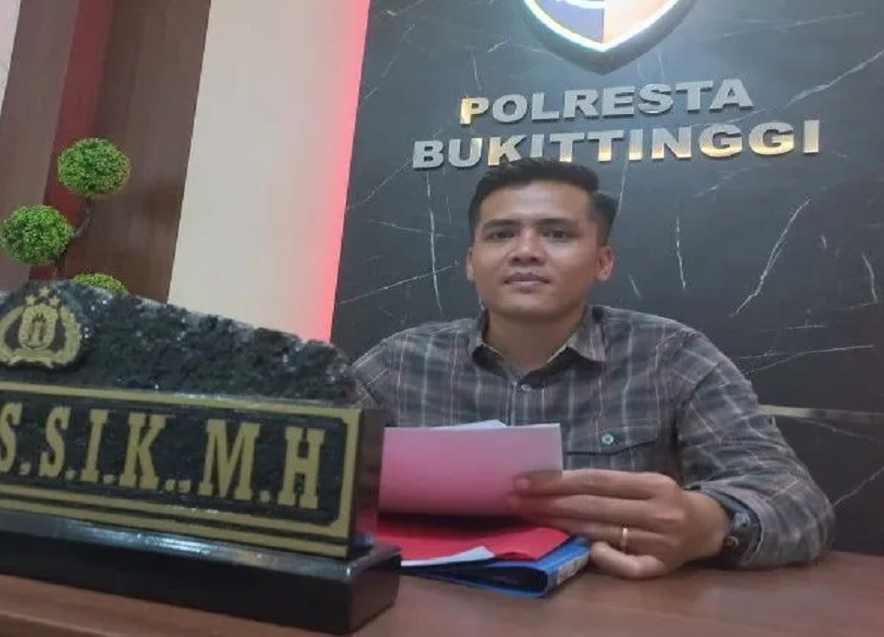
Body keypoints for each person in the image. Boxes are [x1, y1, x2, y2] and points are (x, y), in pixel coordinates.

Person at [352, 158, 834, 579]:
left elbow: (797, 501)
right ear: (471, 263)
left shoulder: (671, 356)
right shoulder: (399, 363)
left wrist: (711, 525)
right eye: (501, 234)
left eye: (557, 234)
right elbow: (317, 474)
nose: (525, 250)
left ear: (603, 262)